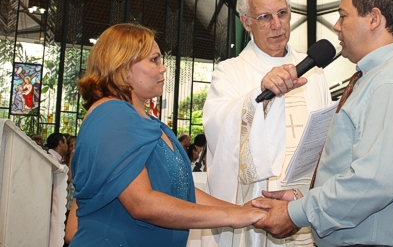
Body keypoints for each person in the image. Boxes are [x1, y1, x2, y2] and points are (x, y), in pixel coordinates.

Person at [253, 0, 393, 247]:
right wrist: (304, 198)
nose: (336, 26)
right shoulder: (377, 78)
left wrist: (298, 213)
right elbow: (352, 166)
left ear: (374, 19)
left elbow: (374, 182)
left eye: (343, 16)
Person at [67, 23, 264, 247]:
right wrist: (234, 216)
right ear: (123, 66)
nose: (163, 68)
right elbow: (141, 203)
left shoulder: (151, 123)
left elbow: (182, 190)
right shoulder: (111, 113)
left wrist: (243, 211)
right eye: (154, 60)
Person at [202, 0, 333, 247]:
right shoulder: (230, 72)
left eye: (282, 13)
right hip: (260, 212)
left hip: (308, 205)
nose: (277, 25)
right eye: (264, 17)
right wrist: (257, 100)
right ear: (246, 22)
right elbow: (218, 129)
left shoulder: (315, 72)